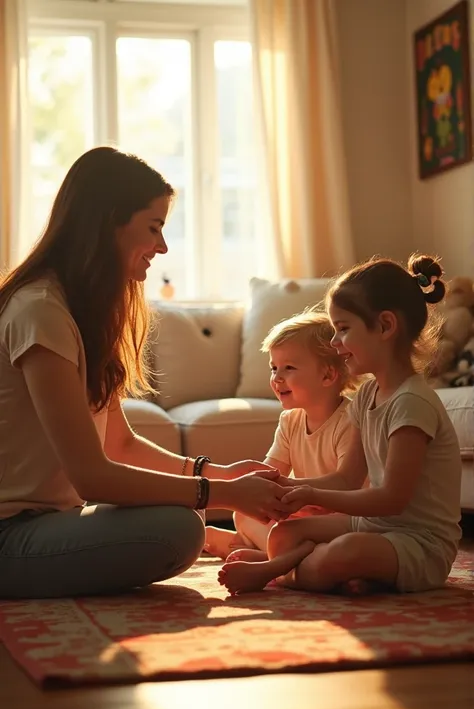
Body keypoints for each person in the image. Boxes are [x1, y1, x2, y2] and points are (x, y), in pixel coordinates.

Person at [0, 146, 295, 599]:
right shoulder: (40, 311)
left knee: (182, 516)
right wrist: (227, 495)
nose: (162, 246)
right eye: (154, 228)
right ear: (108, 223)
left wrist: (219, 474)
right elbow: (93, 478)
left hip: (47, 523)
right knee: (178, 528)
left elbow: (119, 443)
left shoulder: (75, 311)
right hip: (11, 537)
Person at [218, 254, 463, 596]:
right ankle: (331, 573)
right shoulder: (366, 398)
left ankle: (276, 571)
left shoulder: (412, 403)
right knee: (285, 533)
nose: (334, 344)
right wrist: (291, 488)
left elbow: (392, 499)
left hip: (418, 543)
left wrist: (313, 494)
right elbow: (347, 479)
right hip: (374, 527)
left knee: (346, 552)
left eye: (343, 329)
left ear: (385, 327)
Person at [204, 310, 359, 560]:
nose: (277, 378)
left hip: (343, 518)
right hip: (305, 515)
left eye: (289, 368)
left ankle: (259, 551)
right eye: (273, 368)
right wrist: (251, 491)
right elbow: (272, 473)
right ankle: (273, 552)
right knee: (243, 513)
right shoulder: (290, 420)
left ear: (328, 375)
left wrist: (295, 493)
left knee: (301, 535)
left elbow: (346, 487)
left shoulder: (351, 421)